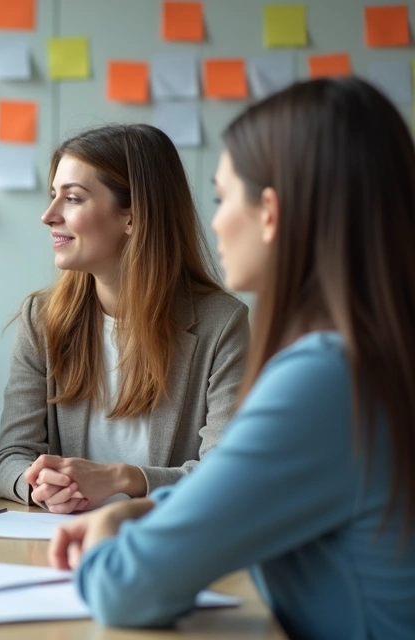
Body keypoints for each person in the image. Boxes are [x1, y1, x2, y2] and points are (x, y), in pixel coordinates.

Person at [50, 78, 415, 638]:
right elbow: (237, 488)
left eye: (222, 198)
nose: (214, 221)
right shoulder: (374, 354)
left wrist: (107, 534)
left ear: (270, 211)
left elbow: (127, 589)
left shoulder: (324, 379)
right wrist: (145, 509)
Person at [0, 124, 248, 513]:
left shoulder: (222, 324)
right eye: (52, 196)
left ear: (132, 215)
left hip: (170, 544)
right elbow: (10, 457)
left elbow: (228, 474)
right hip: (61, 542)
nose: (48, 216)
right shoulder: (41, 319)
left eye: (72, 198)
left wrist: (123, 478)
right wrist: (41, 486)